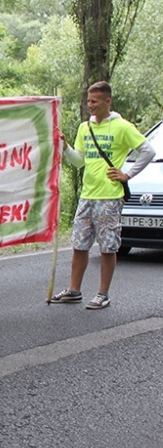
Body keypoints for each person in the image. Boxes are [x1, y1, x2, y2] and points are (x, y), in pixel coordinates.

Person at [51, 81, 155, 310]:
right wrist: (66, 147)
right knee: (79, 244)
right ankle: (74, 290)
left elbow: (148, 151)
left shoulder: (122, 127)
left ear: (108, 101)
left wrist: (127, 174)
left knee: (108, 246)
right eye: (88, 101)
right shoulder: (84, 128)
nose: (90, 106)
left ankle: (102, 294)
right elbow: (79, 161)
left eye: (95, 102)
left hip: (109, 196)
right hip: (87, 195)